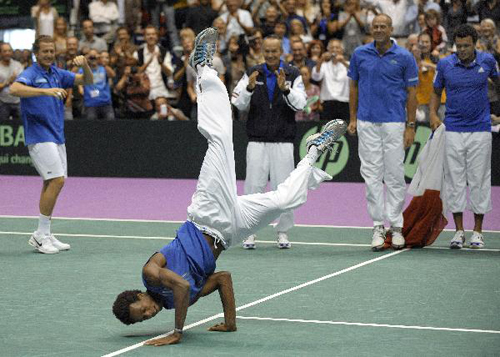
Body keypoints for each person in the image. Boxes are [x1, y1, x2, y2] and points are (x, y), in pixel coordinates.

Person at [112, 27, 346, 346]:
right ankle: (316, 149)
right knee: (287, 199)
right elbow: (222, 278)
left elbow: (180, 284)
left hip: (206, 214)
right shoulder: (177, 301)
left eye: (142, 312)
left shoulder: (150, 273)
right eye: (146, 319)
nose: (150, 314)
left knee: (221, 139)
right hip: (230, 230)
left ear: (137, 296)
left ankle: (204, 67)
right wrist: (230, 323)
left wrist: (178, 331)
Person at [10, 35, 93, 254]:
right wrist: (44, 91)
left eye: (51, 51)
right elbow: (14, 89)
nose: (49, 54)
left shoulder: (58, 74)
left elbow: (87, 81)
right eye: (45, 51)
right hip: (39, 135)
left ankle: (44, 233)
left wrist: (85, 64)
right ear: (36, 53)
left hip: (57, 135)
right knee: (56, 180)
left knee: (53, 182)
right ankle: (39, 235)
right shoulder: (30, 74)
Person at [347, 14, 418, 251]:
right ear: (371, 29)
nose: (378, 29)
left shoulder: (405, 57)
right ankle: (378, 225)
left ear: (391, 29)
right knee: (372, 176)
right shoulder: (359, 54)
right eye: (375, 26)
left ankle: (396, 226)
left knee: (395, 175)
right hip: (367, 122)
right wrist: (353, 117)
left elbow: (412, 93)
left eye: (383, 26)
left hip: (395, 123)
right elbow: (353, 86)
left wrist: (410, 125)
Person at [231, 35, 307, 249]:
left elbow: (301, 104)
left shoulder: (292, 73)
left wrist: (286, 89)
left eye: (275, 51)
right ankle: (249, 231)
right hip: (257, 140)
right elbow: (237, 102)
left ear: (280, 51)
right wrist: (249, 89)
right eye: (268, 51)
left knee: (284, 189)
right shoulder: (253, 72)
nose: (271, 54)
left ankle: (282, 231)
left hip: (283, 140)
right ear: (263, 51)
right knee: (253, 186)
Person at [429, 24, 499, 249]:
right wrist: (432, 114)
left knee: (479, 179)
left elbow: (498, 83)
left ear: (475, 43)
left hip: (480, 129)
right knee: (455, 180)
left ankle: (477, 232)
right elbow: (436, 91)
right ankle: (459, 231)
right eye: (458, 46)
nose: (462, 50)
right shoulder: (445, 64)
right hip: (453, 129)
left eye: (466, 46)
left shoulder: (488, 62)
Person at [311, 38, 350, 122]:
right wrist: (321, 60)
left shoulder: (348, 64)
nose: (334, 50)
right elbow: (315, 77)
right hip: (327, 103)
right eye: (332, 48)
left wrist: (343, 61)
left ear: (342, 50)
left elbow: (355, 75)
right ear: (328, 50)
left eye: (337, 48)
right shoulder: (324, 65)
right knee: (327, 132)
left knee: (344, 133)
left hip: (344, 102)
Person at [79, 49, 116, 120]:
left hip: (106, 103)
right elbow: (78, 80)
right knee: (92, 124)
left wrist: (103, 63)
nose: (93, 59)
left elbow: (113, 75)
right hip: (91, 104)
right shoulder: (84, 69)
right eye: (91, 57)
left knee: (111, 123)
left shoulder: (103, 68)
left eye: (95, 56)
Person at [0, 43, 24, 120]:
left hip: (18, 102)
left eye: (9, 51)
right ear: (1, 53)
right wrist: (8, 81)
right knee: (2, 127)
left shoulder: (18, 65)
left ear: (12, 52)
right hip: (3, 102)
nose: (7, 53)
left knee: (21, 126)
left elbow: (23, 83)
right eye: (5, 51)